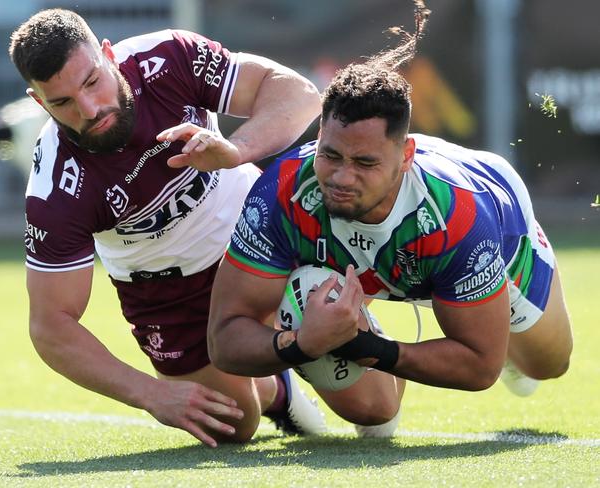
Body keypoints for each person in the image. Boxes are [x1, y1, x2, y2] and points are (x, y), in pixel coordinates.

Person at [208, 0, 573, 437]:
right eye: (331, 155)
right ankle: (369, 375)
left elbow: (479, 366)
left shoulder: (458, 215)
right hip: (352, 265)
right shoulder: (280, 193)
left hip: (497, 230)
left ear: (405, 156)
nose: (342, 177)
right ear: (319, 136)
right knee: (370, 410)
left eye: (364, 163)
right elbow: (224, 341)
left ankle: (505, 328)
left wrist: (372, 349)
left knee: (549, 365)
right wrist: (301, 345)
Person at [9, 8, 327, 448]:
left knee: (374, 408)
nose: (90, 108)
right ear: (39, 101)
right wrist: (151, 393)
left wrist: (236, 149)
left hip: (255, 234)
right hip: (167, 292)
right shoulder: (54, 191)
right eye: (62, 102)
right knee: (230, 424)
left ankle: (292, 330)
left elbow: (301, 95)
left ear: (107, 55)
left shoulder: (166, 57)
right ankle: (277, 387)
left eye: (92, 82)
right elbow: (50, 327)